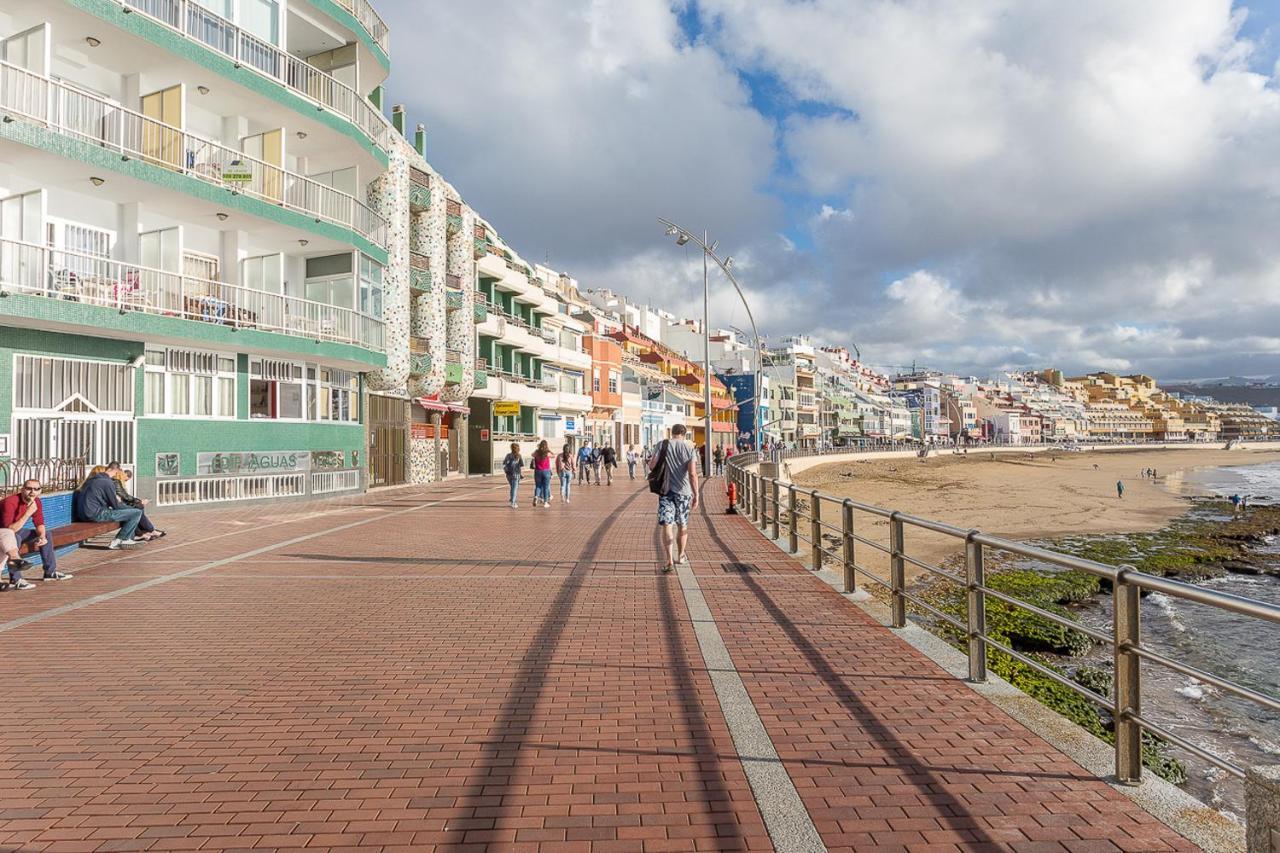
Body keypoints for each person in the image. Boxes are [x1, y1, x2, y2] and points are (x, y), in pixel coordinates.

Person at [1, 479, 72, 588]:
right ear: (22, 489)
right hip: (4, 533)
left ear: (40, 491)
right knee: (16, 538)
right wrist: (28, 513)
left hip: (17, 531)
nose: (32, 492)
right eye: (29, 488)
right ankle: (16, 579)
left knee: (46, 534)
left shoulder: (36, 501)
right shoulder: (10, 502)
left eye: (36, 489)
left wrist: (42, 536)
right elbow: (9, 530)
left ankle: (50, 572)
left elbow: (39, 523)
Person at [649, 423, 699, 573]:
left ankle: (669, 560)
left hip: (665, 491)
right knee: (682, 525)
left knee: (667, 525)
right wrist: (696, 494)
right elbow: (692, 474)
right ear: (684, 434)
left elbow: (652, 465)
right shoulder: (689, 448)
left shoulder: (662, 445)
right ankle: (681, 555)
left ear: (672, 432)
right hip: (684, 492)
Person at [77, 465, 142, 549]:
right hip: (96, 515)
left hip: (83, 515)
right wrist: (131, 508)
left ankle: (128, 538)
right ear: (111, 470)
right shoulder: (106, 482)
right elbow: (116, 506)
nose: (115, 475)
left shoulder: (89, 481)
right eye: (115, 472)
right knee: (136, 513)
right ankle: (120, 540)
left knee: (131, 512)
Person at [111, 470, 165, 542]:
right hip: (112, 509)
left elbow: (123, 498)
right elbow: (125, 497)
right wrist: (139, 501)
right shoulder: (115, 482)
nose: (126, 481)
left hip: (116, 506)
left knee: (138, 508)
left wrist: (137, 502)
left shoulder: (114, 482)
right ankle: (148, 530)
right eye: (126, 479)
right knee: (137, 509)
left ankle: (143, 531)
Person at [531, 440, 553, 508]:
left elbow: (532, 454)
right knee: (546, 487)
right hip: (546, 471)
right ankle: (545, 502)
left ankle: (536, 496)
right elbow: (553, 455)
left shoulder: (537, 452)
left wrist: (538, 450)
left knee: (538, 486)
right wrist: (549, 450)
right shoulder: (547, 453)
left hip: (538, 471)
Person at [501, 443, 524, 508]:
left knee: (512, 487)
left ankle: (511, 499)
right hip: (516, 474)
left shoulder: (508, 455)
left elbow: (504, 463)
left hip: (508, 474)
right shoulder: (519, 455)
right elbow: (521, 464)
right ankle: (513, 503)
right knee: (514, 488)